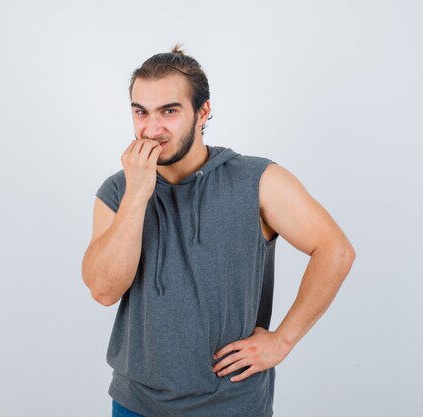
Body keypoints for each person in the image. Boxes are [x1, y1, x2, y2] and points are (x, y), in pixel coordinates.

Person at [82, 43, 356, 417]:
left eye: (170, 111)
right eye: (141, 112)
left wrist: (283, 341)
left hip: (231, 404)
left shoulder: (257, 180)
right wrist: (137, 196)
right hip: (136, 403)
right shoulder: (118, 190)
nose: (152, 128)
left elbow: (335, 250)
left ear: (203, 111)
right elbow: (103, 290)